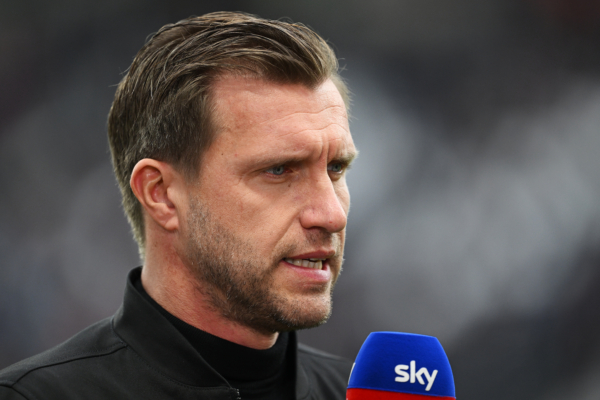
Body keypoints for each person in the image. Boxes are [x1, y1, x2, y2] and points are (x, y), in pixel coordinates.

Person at [0, 11, 357, 400]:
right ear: (161, 194)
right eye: (278, 170)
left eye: (336, 168)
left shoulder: (361, 393)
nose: (331, 214)